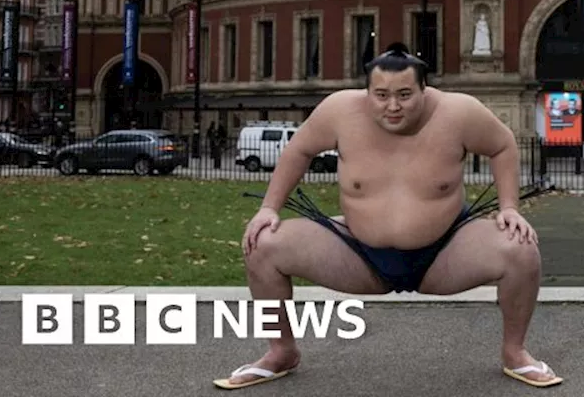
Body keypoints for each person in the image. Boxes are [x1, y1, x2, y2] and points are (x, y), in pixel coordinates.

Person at [214, 43, 562, 389]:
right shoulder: (339, 111)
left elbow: (502, 145)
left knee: (521, 248)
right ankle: (280, 351)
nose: (392, 106)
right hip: (357, 252)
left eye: (405, 95)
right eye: (380, 95)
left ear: (424, 90)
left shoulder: (459, 113)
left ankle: (514, 352)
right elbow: (299, 149)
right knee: (261, 245)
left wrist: (509, 208)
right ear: (366, 92)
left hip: (446, 251)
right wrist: (268, 208)